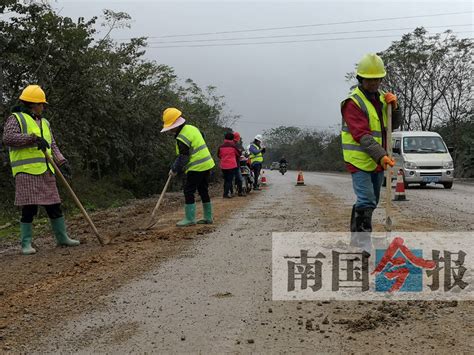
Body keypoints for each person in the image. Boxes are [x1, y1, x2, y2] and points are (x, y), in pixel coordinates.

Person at [2, 85, 79, 255]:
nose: (43, 107)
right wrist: (33, 139)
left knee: (54, 205)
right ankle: (26, 244)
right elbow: (8, 138)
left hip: (46, 170)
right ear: (31, 104)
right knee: (29, 208)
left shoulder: (44, 122)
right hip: (26, 171)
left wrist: (62, 162)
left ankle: (62, 237)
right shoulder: (16, 119)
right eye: (41, 104)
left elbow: (52, 145)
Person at [341, 53, 401, 252]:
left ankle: (356, 237)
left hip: (376, 160)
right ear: (361, 79)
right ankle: (363, 243)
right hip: (359, 159)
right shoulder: (353, 103)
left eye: (378, 78)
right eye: (370, 79)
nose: (375, 82)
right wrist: (381, 155)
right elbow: (362, 135)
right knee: (366, 199)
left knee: (371, 201)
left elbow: (393, 125)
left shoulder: (383, 99)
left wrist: (395, 107)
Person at [161, 107, 215, 226]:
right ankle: (208, 217)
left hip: (197, 166)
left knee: (188, 190)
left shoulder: (181, 138)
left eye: (170, 127)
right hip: (207, 163)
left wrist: (174, 169)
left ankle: (190, 219)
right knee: (203, 189)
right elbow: (202, 137)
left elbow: (183, 157)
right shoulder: (192, 128)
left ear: (176, 124)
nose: (170, 130)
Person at [218, 132, 242, 198]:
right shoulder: (233, 146)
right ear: (232, 139)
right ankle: (225, 194)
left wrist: (224, 158)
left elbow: (219, 155)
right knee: (229, 180)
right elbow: (239, 154)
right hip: (231, 165)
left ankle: (227, 192)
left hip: (223, 166)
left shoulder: (221, 146)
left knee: (226, 180)